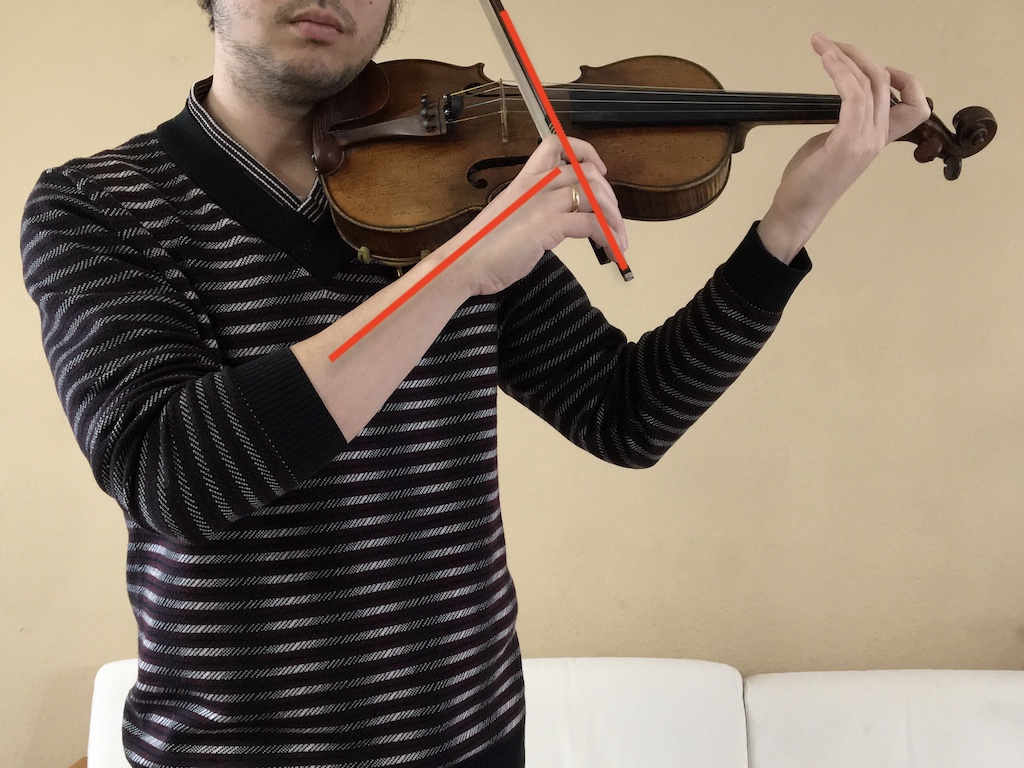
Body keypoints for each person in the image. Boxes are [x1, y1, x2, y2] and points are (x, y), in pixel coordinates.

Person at [20, 1, 929, 766]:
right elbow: (175, 477)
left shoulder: (460, 192)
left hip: (474, 740)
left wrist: (790, 220)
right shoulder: (97, 206)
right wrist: (454, 272)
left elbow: (627, 415)